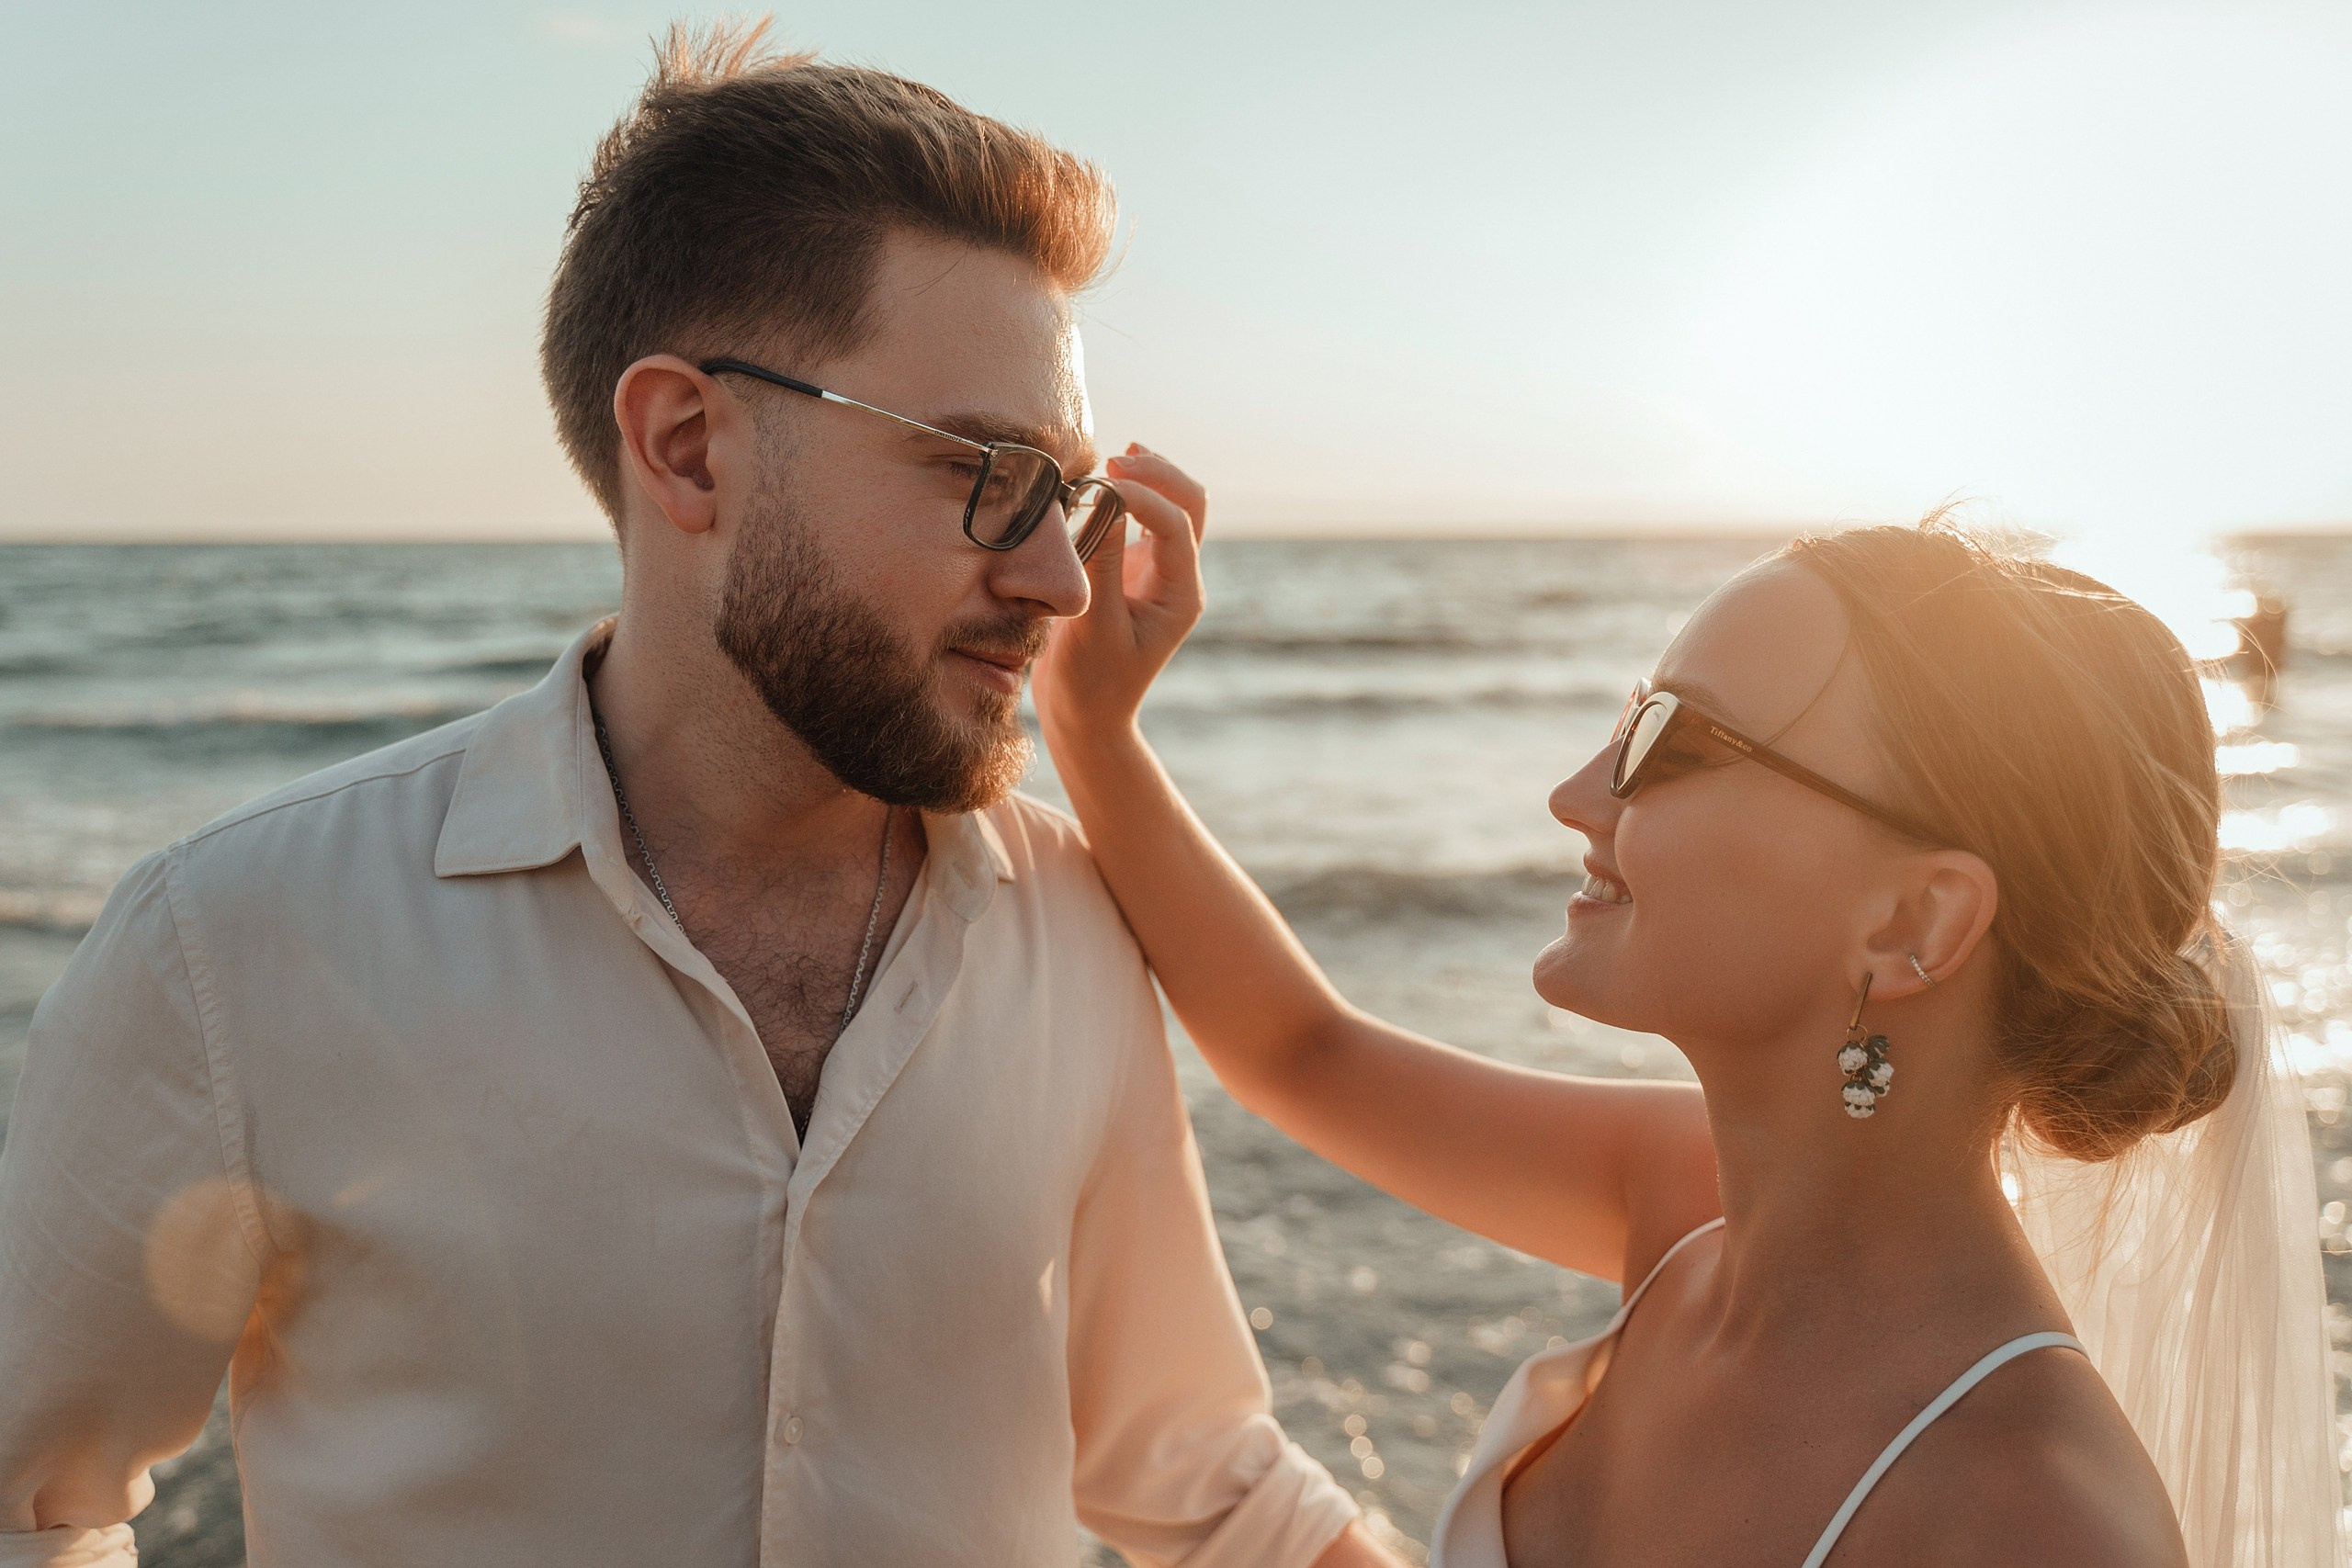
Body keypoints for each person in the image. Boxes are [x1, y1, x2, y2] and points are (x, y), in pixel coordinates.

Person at [0, 26, 1391, 1568]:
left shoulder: (1074, 928)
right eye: (984, 471)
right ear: (687, 448)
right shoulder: (235, 944)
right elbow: (34, 1496)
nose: (1063, 579)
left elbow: (1203, 1478)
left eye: (1067, 495)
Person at [1036, 463, 2339, 1566]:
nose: (1576, 794)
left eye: (1673, 742)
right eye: (1622, 722)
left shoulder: (2028, 1519)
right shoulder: (1683, 1204)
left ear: (1916, 925)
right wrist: (1089, 728)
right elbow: (1301, 1052)